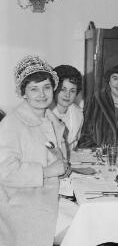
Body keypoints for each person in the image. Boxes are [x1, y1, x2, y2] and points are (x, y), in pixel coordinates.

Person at [0, 55, 70, 246]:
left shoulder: (51, 120)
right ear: (23, 93)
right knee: (77, 232)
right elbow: (5, 172)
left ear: (53, 88)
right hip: (21, 205)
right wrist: (48, 171)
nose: (42, 94)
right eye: (34, 89)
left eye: (46, 87)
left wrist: (62, 167)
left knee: (89, 221)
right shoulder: (12, 124)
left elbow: (56, 163)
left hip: (48, 197)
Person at [51, 65, 84, 151]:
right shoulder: (45, 113)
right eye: (63, 89)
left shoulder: (79, 114)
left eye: (72, 91)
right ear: (54, 89)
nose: (67, 95)